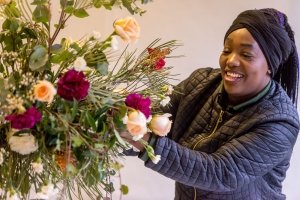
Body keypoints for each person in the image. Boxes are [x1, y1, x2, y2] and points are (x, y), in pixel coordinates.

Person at [121, 8, 299, 200]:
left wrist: (139, 137)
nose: (231, 61)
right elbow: (152, 121)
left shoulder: (279, 123)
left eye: (246, 55)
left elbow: (219, 173)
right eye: (227, 50)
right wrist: (108, 128)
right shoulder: (200, 83)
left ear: (271, 65)